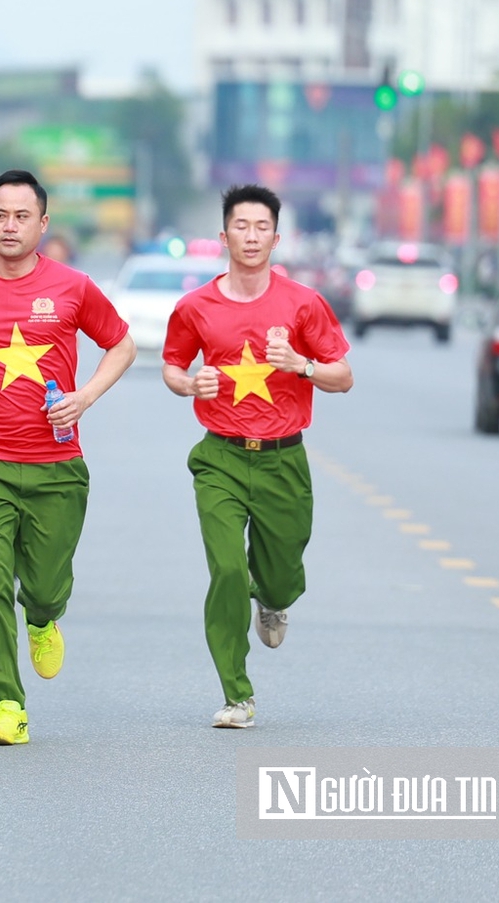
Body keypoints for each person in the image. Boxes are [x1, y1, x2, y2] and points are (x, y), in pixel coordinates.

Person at [0, 170, 135, 746]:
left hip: (56, 466)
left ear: (42, 223)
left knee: (43, 586)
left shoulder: (73, 286)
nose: (8, 226)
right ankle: (6, 706)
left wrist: (85, 396)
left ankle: (42, 617)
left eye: (21, 216)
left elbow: (122, 344)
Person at [162, 184, 352, 730]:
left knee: (282, 572)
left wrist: (301, 365)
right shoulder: (195, 307)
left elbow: (342, 376)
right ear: (224, 236)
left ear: (276, 237)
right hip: (220, 457)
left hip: (282, 459)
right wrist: (189, 384)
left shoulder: (303, 304)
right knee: (227, 570)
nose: (251, 236)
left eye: (261, 227)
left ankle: (272, 598)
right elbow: (173, 366)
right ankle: (237, 694)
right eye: (240, 226)